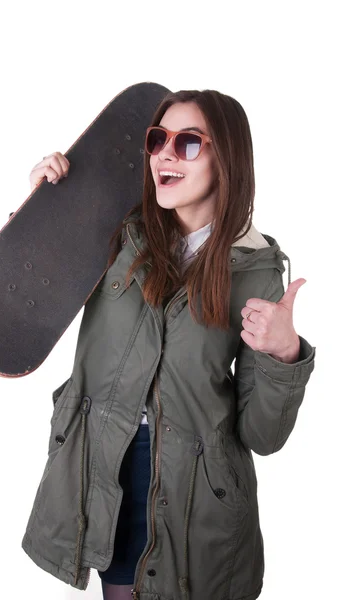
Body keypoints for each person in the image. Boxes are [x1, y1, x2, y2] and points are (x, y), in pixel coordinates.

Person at [21, 89, 316, 600]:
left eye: (188, 143)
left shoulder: (256, 269)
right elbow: (23, 302)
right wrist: (43, 212)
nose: (164, 154)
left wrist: (283, 355)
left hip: (197, 489)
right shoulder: (114, 234)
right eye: (158, 140)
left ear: (227, 159)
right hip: (107, 468)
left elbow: (262, 434)